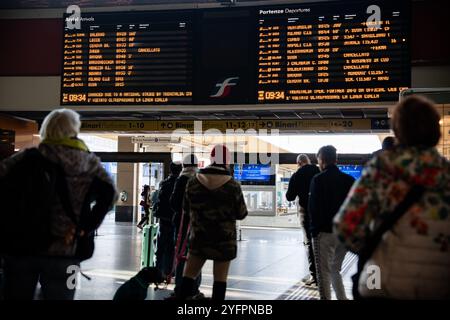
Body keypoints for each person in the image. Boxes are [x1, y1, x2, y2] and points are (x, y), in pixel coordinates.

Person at [335, 95, 450, 299]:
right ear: (436, 132)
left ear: (398, 131)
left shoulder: (383, 167)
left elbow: (346, 226)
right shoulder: (446, 172)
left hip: (383, 285)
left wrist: (373, 249)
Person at [0, 109, 116, 300]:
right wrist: (86, 227)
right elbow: (110, 195)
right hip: (67, 250)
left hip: (22, 247)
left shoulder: (26, 158)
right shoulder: (88, 162)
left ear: (47, 130)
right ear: (73, 130)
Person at [178, 145, 248, 300]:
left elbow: (185, 209)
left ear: (211, 159)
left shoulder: (193, 182)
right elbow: (241, 214)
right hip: (224, 241)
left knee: (188, 277)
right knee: (220, 280)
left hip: (198, 239)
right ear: (227, 161)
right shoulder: (233, 186)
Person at [308, 145, 355, 300]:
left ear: (321, 160)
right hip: (344, 234)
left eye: (318, 160)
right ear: (336, 159)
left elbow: (313, 209)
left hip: (324, 233)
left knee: (323, 275)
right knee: (335, 269)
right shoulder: (349, 180)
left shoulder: (318, 180)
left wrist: (314, 232)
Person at [168, 154, 201, 299]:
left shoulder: (181, 179)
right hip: (197, 225)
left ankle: (180, 289)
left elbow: (174, 203)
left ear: (184, 165)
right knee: (196, 255)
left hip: (182, 224)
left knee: (181, 255)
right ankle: (194, 289)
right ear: (197, 165)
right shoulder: (200, 179)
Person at [286, 154, 320, 286]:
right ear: (309, 161)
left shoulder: (297, 175)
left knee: (309, 244)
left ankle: (314, 276)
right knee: (320, 242)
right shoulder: (318, 171)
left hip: (305, 213)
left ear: (299, 163)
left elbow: (290, 197)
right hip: (319, 212)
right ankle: (324, 274)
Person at [154, 162, 182, 279]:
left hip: (163, 220)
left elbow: (156, 200)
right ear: (180, 170)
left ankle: (158, 271)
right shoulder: (180, 184)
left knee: (160, 247)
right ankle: (170, 271)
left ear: (170, 170)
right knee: (172, 247)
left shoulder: (163, 183)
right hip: (175, 221)